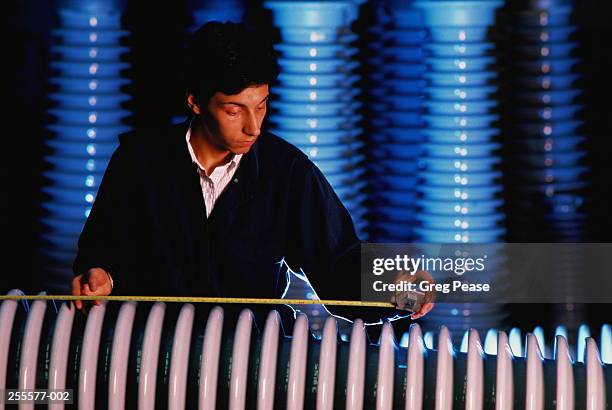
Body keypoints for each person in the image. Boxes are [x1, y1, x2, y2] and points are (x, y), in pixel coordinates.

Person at [71, 21, 434, 321]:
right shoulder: (139, 161)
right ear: (195, 101)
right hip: (151, 356)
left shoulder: (287, 172)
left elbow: (338, 262)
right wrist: (100, 274)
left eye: (261, 106)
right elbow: (102, 249)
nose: (253, 127)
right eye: (234, 110)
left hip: (250, 361)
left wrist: (391, 283)